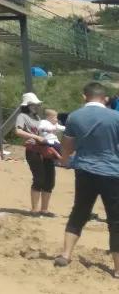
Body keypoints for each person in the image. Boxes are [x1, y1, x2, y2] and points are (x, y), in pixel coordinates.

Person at [55, 82, 119, 277]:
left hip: (84, 170)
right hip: (112, 172)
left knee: (80, 211)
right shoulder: (116, 117)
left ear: (85, 97)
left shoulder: (75, 116)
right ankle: (117, 269)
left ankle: (65, 255)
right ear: (105, 98)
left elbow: (67, 145)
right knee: (115, 219)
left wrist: (65, 161)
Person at [14, 92, 56, 216]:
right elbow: (18, 130)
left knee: (50, 180)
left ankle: (44, 209)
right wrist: (34, 137)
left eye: (37, 105)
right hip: (33, 150)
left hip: (46, 149)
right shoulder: (22, 116)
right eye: (34, 105)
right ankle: (34, 209)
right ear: (27, 105)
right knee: (39, 179)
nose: (36, 107)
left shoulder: (38, 118)